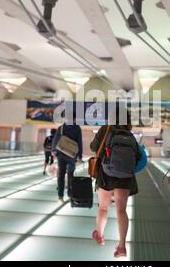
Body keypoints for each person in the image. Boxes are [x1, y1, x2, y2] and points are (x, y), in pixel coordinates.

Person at [90, 108, 141, 258]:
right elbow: (137, 157)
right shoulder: (129, 134)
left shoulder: (106, 129)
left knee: (103, 208)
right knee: (121, 210)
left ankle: (99, 236)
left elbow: (93, 148)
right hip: (125, 177)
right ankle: (122, 247)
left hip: (106, 174)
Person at [52, 113, 83, 204]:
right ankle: (70, 194)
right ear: (74, 119)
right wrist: (79, 156)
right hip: (71, 156)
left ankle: (60, 197)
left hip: (61, 155)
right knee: (70, 175)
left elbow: (55, 141)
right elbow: (79, 143)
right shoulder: (77, 128)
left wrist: (54, 152)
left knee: (61, 176)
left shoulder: (61, 128)